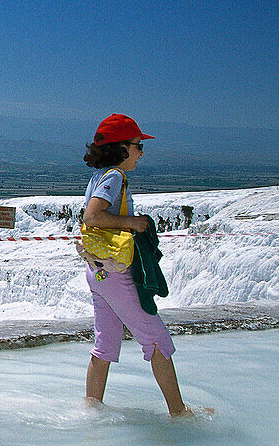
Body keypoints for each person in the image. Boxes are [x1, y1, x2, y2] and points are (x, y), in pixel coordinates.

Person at [79, 113, 206, 417]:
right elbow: (93, 216)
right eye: (138, 145)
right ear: (121, 148)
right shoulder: (114, 177)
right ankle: (179, 412)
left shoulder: (98, 176)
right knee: (157, 339)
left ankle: (91, 410)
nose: (141, 152)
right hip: (116, 271)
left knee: (105, 343)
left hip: (97, 270)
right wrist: (133, 223)